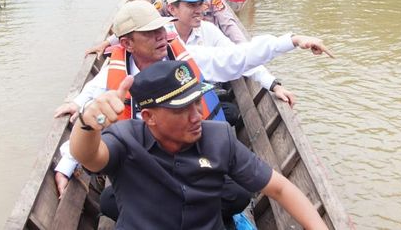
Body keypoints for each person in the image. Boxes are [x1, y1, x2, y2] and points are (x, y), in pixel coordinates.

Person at [69, 60, 330, 230]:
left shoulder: (219, 138)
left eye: (197, 102)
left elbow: (280, 188)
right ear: (149, 117)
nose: (197, 116)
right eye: (182, 109)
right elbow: (89, 155)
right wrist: (87, 124)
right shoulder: (126, 140)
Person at [165, 0, 296, 105]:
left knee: (230, 113)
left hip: (205, 97)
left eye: (200, 4)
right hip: (172, 100)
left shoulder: (208, 29)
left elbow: (236, 55)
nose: (199, 10)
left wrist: (273, 85)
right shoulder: (161, 38)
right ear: (172, 9)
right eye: (191, 5)